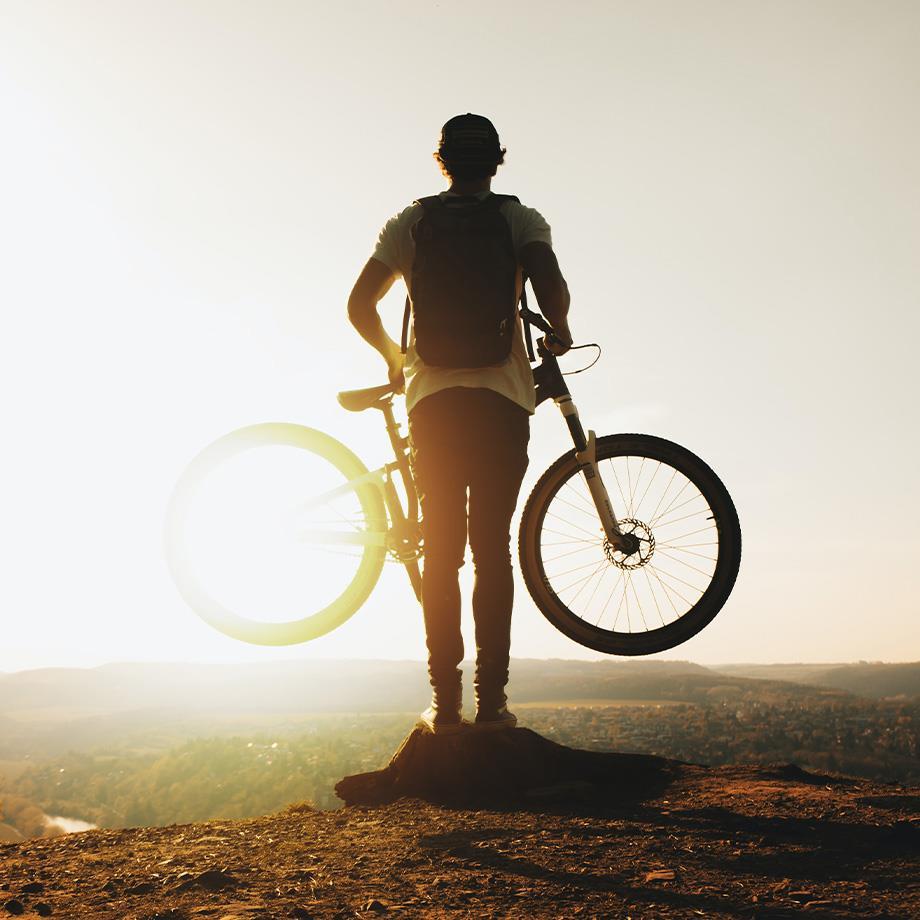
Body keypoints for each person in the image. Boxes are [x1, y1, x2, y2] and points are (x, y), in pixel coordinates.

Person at [347, 114, 572, 734]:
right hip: (502, 399)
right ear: (497, 160)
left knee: (441, 551)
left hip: (432, 404)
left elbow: (359, 305)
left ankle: (445, 707)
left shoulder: (410, 223)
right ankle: (492, 704)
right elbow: (548, 282)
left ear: (441, 160)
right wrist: (562, 328)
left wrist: (398, 363)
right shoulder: (519, 219)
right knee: (491, 551)